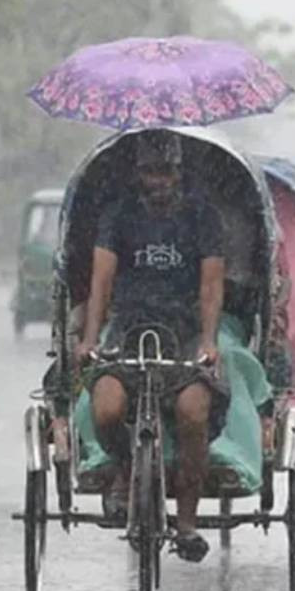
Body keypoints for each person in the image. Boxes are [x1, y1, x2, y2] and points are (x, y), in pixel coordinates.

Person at [73, 129, 229, 563]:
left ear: (178, 172)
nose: (159, 180)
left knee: (192, 412)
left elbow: (211, 284)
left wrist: (211, 340)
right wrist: (88, 339)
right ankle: (126, 471)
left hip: (185, 334)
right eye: (150, 172)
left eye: (166, 171)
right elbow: (101, 281)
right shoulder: (118, 215)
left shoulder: (203, 217)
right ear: (138, 174)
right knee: (106, 408)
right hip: (128, 332)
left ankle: (187, 523)